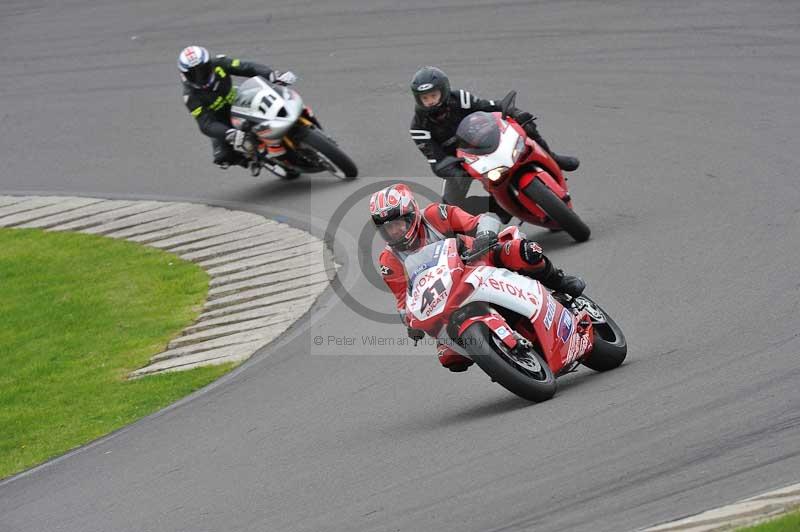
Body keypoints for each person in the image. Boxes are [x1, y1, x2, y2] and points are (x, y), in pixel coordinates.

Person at [371, 183, 585, 372]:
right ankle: (502, 359)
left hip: (478, 261)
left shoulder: (436, 215)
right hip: (445, 298)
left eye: (399, 222)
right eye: (387, 227)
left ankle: (558, 281)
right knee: (450, 357)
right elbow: (403, 301)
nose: (395, 231)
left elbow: (480, 221)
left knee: (523, 251)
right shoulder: (388, 260)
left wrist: (484, 235)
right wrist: (410, 323)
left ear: (412, 214)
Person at [409, 66, 580, 220]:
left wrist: (516, 112)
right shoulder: (418, 127)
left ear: (444, 91)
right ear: (419, 99)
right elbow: (436, 160)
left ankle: (553, 158)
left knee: (526, 126)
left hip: (485, 141)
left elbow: (491, 107)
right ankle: (497, 206)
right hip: (460, 163)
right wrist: (454, 171)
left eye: (433, 95)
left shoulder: (460, 98)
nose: (430, 100)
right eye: (425, 98)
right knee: (449, 210)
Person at [178, 45, 297, 169]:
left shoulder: (219, 64)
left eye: (203, 70)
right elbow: (205, 124)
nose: (200, 76)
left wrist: (271, 74)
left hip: (239, 100)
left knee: (274, 102)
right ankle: (254, 160)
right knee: (223, 157)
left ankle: (292, 116)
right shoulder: (190, 96)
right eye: (194, 74)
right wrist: (228, 133)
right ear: (185, 75)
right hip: (221, 121)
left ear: (208, 64)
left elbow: (246, 67)